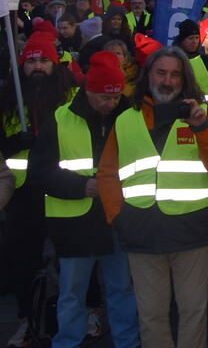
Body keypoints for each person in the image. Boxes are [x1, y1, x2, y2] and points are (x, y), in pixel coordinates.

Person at [98, 45, 208, 348]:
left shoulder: (204, 115)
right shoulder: (125, 120)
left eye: (175, 75)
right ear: (148, 75)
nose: (167, 81)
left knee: (193, 311)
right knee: (151, 314)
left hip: (191, 230)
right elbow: (107, 174)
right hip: (141, 231)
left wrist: (202, 127)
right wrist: (117, 216)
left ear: (185, 79)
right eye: (161, 73)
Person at [29, 51, 139, 348]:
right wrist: (81, 186)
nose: (111, 103)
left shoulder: (128, 116)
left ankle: (127, 342)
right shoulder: (60, 118)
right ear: (89, 91)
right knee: (72, 292)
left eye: (116, 97)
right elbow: (39, 171)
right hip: (75, 223)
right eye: (105, 97)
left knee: (121, 287)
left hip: (117, 217)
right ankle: (68, 342)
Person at [1, 31, 76, 348]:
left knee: (71, 257)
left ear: (55, 63)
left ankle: (81, 315)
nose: (37, 67)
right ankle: (26, 321)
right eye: (31, 61)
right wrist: (11, 143)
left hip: (62, 185)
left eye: (44, 60)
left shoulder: (70, 95)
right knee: (23, 260)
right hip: (21, 192)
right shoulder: (9, 99)